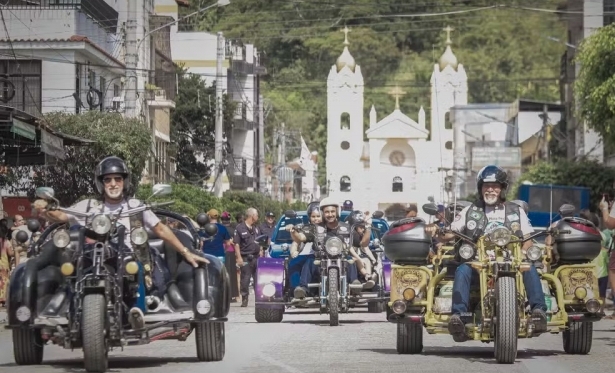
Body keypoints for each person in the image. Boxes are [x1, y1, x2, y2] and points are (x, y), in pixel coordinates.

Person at [33, 156, 209, 327]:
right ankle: (72, 309)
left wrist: (186, 252)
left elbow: (161, 229)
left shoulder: (135, 205)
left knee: (134, 266)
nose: (113, 184)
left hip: (129, 256)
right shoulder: (88, 205)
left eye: (118, 179)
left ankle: (137, 311)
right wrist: (44, 208)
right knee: (73, 271)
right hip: (93, 256)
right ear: (101, 183)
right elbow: (62, 215)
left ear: (125, 181)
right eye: (108, 179)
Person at [426, 165, 548, 338]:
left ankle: (538, 312)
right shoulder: (470, 211)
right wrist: (436, 230)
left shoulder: (516, 210)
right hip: (478, 264)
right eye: (486, 185)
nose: (490, 189)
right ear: (480, 188)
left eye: (495, 186)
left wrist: (521, 253)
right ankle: (458, 316)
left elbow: (527, 239)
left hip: (511, 262)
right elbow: (449, 233)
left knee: (529, 267)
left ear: (502, 188)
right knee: (462, 270)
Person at [290, 197, 361, 295]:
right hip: (321, 259)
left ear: (337, 212)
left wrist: (368, 228)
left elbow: (361, 243)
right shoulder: (315, 228)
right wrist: (293, 232)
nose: (330, 214)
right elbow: (300, 238)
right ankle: (303, 289)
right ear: (323, 213)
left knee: (350, 260)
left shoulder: (346, 227)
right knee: (309, 262)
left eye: (333, 211)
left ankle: (354, 283)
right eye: (327, 212)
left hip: (342, 258)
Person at [288, 205, 323, 299]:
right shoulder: (307, 228)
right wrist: (293, 251)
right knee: (293, 263)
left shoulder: (329, 227)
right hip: (306, 254)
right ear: (309, 217)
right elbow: (297, 239)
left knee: (310, 261)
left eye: (318, 216)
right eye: (313, 216)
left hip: (322, 256)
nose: (316, 219)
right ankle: (296, 290)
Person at [234, 207, 262, 307]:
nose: (258, 217)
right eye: (257, 215)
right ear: (252, 216)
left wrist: (261, 251)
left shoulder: (256, 228)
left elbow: (260, 241)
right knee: (245, 279)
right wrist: (239, 258)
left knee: (258, 279)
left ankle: (258, 299)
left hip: (256, 257)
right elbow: (236, 244)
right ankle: (245, 298)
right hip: (246, 257)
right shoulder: (240, 228)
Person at [346, 210, 377, 289]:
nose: (363, 229)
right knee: (359, 260)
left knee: (367, 260)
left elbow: (365, 248)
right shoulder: (349, 234)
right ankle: (366, 276)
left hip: (358, 256)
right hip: (349, 257)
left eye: (364, 227)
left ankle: (368, 280)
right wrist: (359, 259)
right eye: (361, 227)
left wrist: (373, 260)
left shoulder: (361, 235)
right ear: (354, 225)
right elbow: (350, 249)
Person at [220, 211, 239, 302]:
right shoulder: (233, 230)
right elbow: (236, 242)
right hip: (231, 252)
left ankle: (224, 295)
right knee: (232, 274)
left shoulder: (218, 229)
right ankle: (233, 295)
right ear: (229, 220)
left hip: (222, 252)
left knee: (223, 273)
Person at [0, 220, 15, 306]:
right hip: (3, 266)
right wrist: (16, 250)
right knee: (3, 282)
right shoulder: (5, 242)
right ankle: (2, 300)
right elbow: (10, 253)